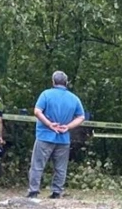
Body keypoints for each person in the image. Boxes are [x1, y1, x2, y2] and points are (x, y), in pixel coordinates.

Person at [28, 70, 85, 199]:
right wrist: (68, 126)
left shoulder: (46, 95)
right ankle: (56, 192)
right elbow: (81, 117)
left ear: (53, 81)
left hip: (44, 135)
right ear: (66, 82)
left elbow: (37, 111)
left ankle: (33, 191)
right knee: (60, 167)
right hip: (63, 137)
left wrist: (49, 124)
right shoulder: (74, 98)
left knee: (37, 164)